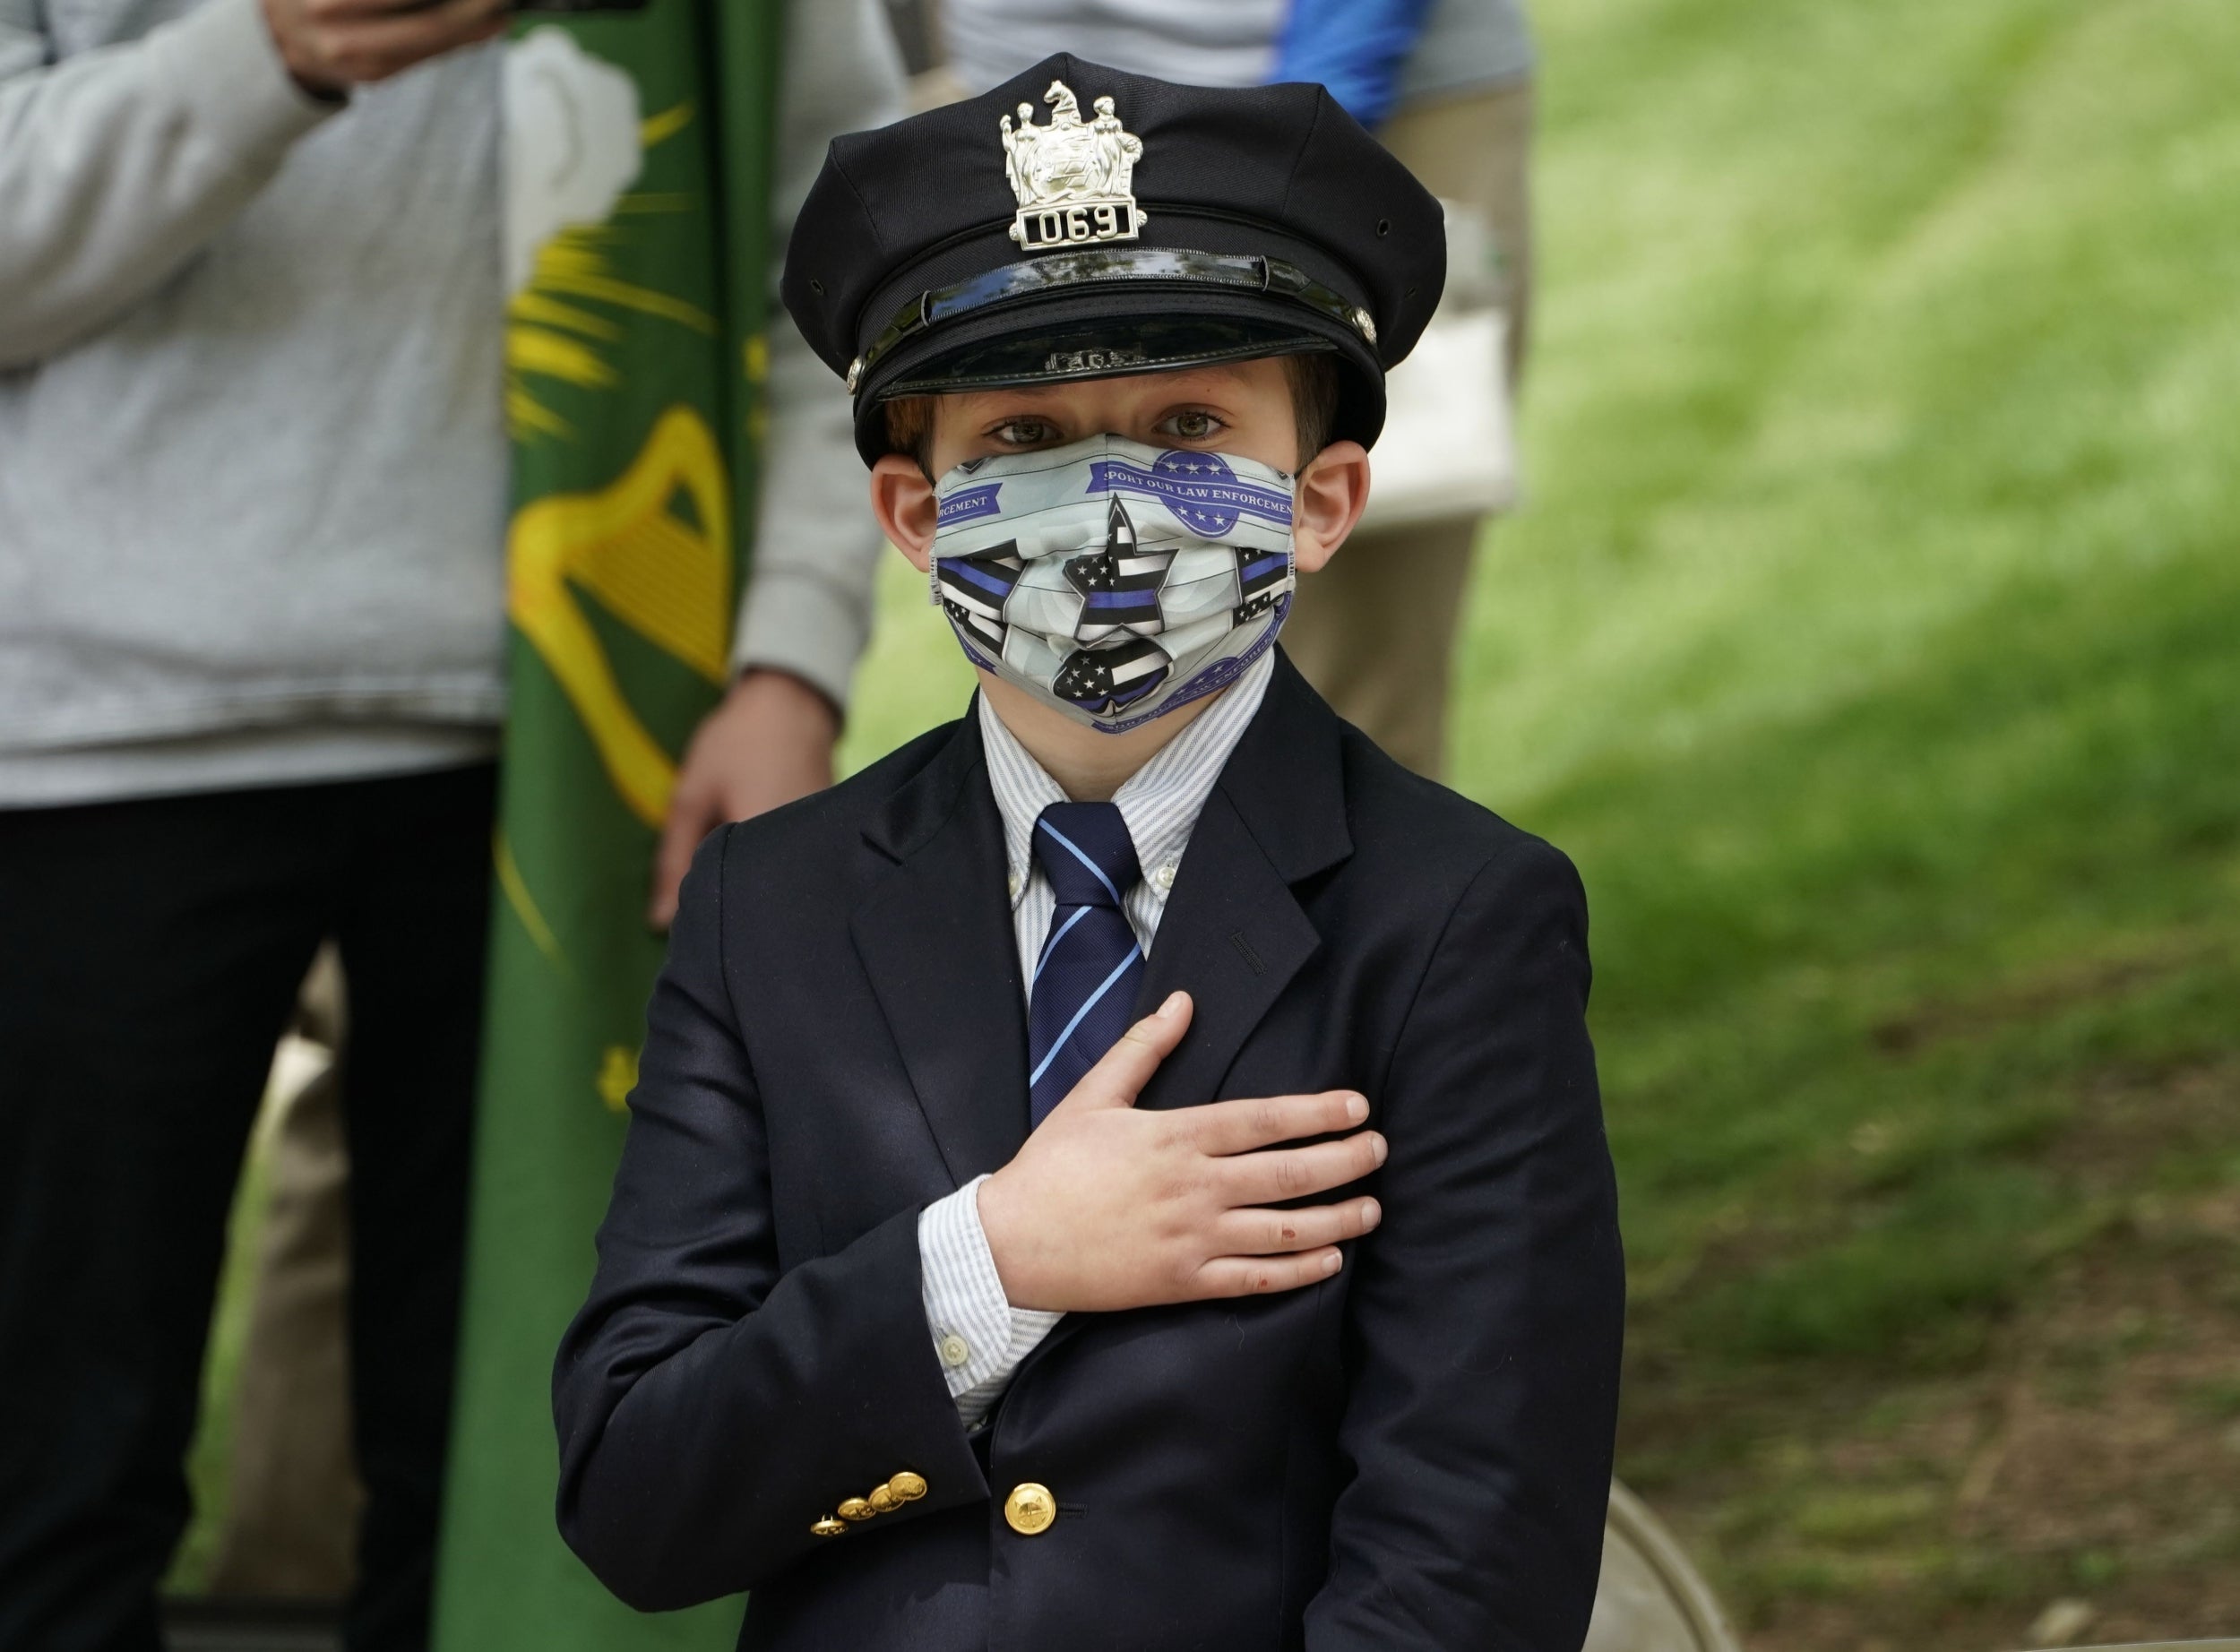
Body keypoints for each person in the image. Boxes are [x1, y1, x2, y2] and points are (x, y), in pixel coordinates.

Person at [553, 55, 1624, 1648]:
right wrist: (987, 1262)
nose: (1109, 498)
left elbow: (1473, 1539)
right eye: (1029, 432)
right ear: (916, 516)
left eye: (1190, 422)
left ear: (1320, 498)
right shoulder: (767, 906)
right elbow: (638, 1484)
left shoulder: (1456, 917)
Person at [0, 0, 900, 1645]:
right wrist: (272, 52)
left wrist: (791, 654)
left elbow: (838, 255)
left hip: (574, 747)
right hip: (88, 741)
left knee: (534, 1470)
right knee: (48, 1471)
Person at [936, 0, 1539, 779]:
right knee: (1057, 659)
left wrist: (1305, 141)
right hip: (1023, 123)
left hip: (1367, 84)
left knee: (1350, 707)